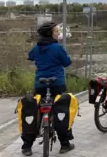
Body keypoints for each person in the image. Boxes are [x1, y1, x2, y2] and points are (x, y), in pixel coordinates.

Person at [22, 21, 74, 156]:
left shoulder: (36, 48)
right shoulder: (58, 48)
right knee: (63, 109)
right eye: (56, 31)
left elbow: (30, 56)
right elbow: (67, 63)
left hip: (40, 84)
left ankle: (27, 146)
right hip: (57, 83)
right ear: (50, 34)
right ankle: (65, 144)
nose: (58, 33)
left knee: (34, 110)